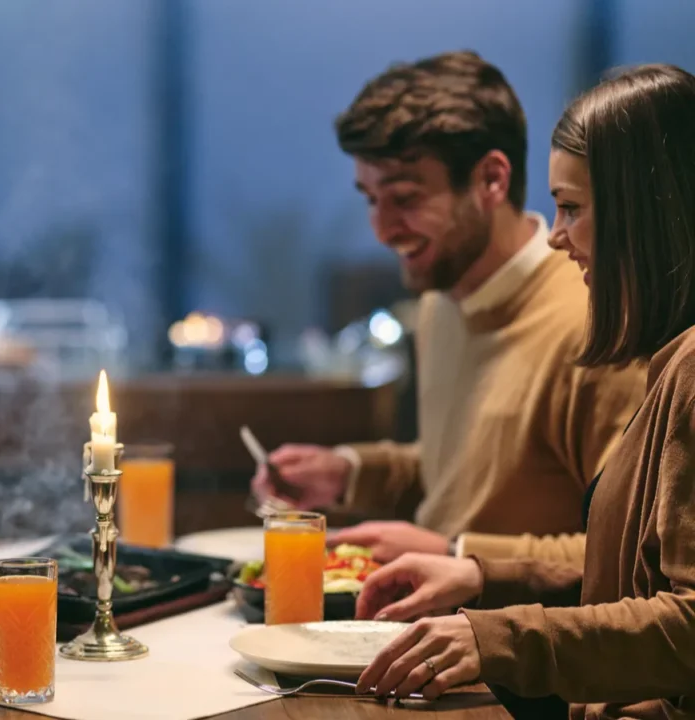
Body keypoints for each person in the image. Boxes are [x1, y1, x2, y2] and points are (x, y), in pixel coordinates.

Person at [354, 64, 695, 718]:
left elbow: (687, 622)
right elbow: (624, 575)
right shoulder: (671, 355)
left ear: (645, 213)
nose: (559, 235)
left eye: (574, 207)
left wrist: (500, 635)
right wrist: (482, 574)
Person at [250, 51, 646, 565]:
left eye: (405, 199)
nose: (382, 230)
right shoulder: (441, 300)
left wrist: (457, 554)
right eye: (370, 199)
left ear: (491, 180)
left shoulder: (597, 326)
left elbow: (632, 558)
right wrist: (349, 472)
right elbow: (469, 476)